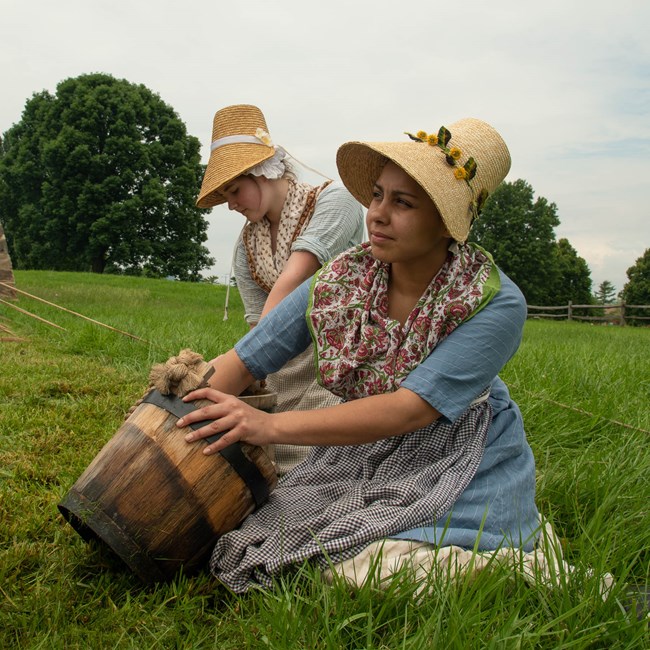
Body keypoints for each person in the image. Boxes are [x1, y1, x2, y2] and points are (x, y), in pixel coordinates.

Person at [178, 117, 541, 593]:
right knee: (272, 537)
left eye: (403, 202)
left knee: (380, 572)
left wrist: (265, 425)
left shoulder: (495, 301)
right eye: (376, 195)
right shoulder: (343, 278)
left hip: (465, 452)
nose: (377, 214)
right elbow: (252, 354)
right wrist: (173, 410)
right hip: (365, 442)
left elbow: (410, 408)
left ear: (446, 222)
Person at [196, 104, 365, 474]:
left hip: (338, 356)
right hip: (281, 365)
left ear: (263, 171)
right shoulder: (245, 247)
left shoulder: (336, 201)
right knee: (246, 450)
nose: (231, 204)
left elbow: (294, 280)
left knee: (313, 462)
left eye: (234, 190)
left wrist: (234, 366)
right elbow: (260, 327)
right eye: (225, 195)